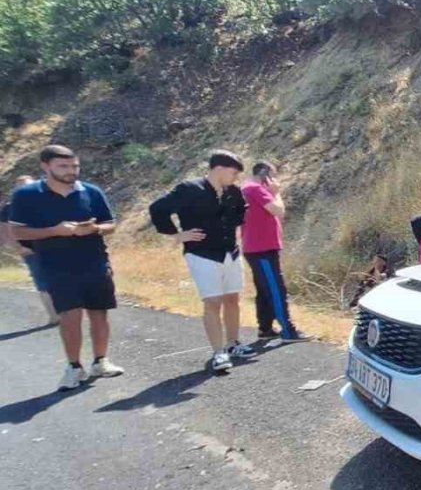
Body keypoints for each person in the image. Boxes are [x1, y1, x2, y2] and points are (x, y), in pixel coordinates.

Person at [7, 145, 125, 390]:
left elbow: (110, 224)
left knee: (99, 313)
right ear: (46, 166)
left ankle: (101, 361)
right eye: (63, 166)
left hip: (95, 261)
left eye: (75, 166)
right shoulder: (26, 195)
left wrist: (94, 229)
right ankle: (74, 367)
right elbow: (17, 230)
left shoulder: (91, 192)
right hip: (55, 265)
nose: (71, 171)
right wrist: (55, 231)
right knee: (70, 316)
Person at [149, 150, 251, 373]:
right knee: (212, 302)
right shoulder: (189, 189)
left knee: (232, 299)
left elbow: (241, 213)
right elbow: (158, 208)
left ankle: (233, 343)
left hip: (230, 252)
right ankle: (219, 352)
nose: (235, 178)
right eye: (233, 173)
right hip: (202, 254)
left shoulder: (233, 191)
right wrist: (176, 234)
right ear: (219, 169)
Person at [241, 161, 310, 341]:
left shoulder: (247, 188)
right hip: (262, 249)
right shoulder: (256, 189)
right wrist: (276, 192)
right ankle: (288, 330)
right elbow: (278, 210)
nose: (275, 179)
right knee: (276, 290)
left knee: (264, 291)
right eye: (273, 175)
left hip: (257, 248)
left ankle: (265, 329)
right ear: (265, 174)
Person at [1, 175, 58, 324]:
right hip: (31, 251)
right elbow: (4, 232)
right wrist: (19, 248)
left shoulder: (50, 201)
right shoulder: (8, 209)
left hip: (56, 247)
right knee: (42, 282)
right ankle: (54, 316)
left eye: (28, 186)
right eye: (20, 186)